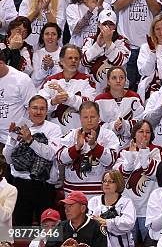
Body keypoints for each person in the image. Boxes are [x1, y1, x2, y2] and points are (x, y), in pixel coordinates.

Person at [3, 95, 61, 225]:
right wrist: (12, 138)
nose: (38, 112)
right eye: (35, 108)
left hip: (44, 185)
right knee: (20, 229)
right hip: (20, 184)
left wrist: (30, 140)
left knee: (48, 231)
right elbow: (8, 159)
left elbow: (51, 154)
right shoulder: (19, 127)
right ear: (28, 109)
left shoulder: (53, 129)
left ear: (47, 111)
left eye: (42, 109)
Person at [57, 101, 120, 198]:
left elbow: (111, 161)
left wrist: (94, 146)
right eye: (85, 117)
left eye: (93, 117)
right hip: (73, 194)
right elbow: (60, 158)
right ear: (80, 118)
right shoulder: (72, 135)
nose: (89, 120)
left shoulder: (108, 135)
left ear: (99, 117)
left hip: (99, 195)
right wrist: (76, 147)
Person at [113, 120, 162, 243]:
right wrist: (131, 156)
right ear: (134, 133)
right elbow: (120, 176)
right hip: (128, 208)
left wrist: (144, 151)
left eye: (148, 132)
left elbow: (154, 173)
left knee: (150, 243)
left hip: (148, 209)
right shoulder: (124, 151)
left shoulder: (156, 150)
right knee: (129, 243)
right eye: (141, 131)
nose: (144, 135)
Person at [39, 44, 96, 134]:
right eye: (70, 58)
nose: (74, 61)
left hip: (79, 134)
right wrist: (53, 102)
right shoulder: (51, 80)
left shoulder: (87, 80)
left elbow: (91, 105)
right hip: (54, 135)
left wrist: (69, 98)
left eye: (76, 58)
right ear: (61, 61)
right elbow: (39, 105)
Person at [81, 9, 130, 92]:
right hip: (93, 88)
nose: (107, 27)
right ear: (99, 25)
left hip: (118, 89)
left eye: (111, 24)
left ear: (115, 26)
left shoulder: (122, 41)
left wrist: (109, 42)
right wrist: (97, 45)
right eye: (104, 24)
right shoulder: (90, 41)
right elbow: (83, 61)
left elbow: (120, 62)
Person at [95, 66, 144, 145]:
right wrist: (113, 126)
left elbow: (141, 123)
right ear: (108, 81)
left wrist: (124, 126)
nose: (118, 81)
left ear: (125, 80)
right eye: (114, 78)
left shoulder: (134, 97)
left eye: (121, 77)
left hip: (131, 146)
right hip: (106, 145)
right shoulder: (99, 100)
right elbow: (95, 125)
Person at [88, 170, 137, 247]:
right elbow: (88, 221)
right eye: (104, 181)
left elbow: (128, 223)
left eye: (111, 181)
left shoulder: (126, 202)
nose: (106, 184)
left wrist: (107, 222)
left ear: (118, 183)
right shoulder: (94, 201)